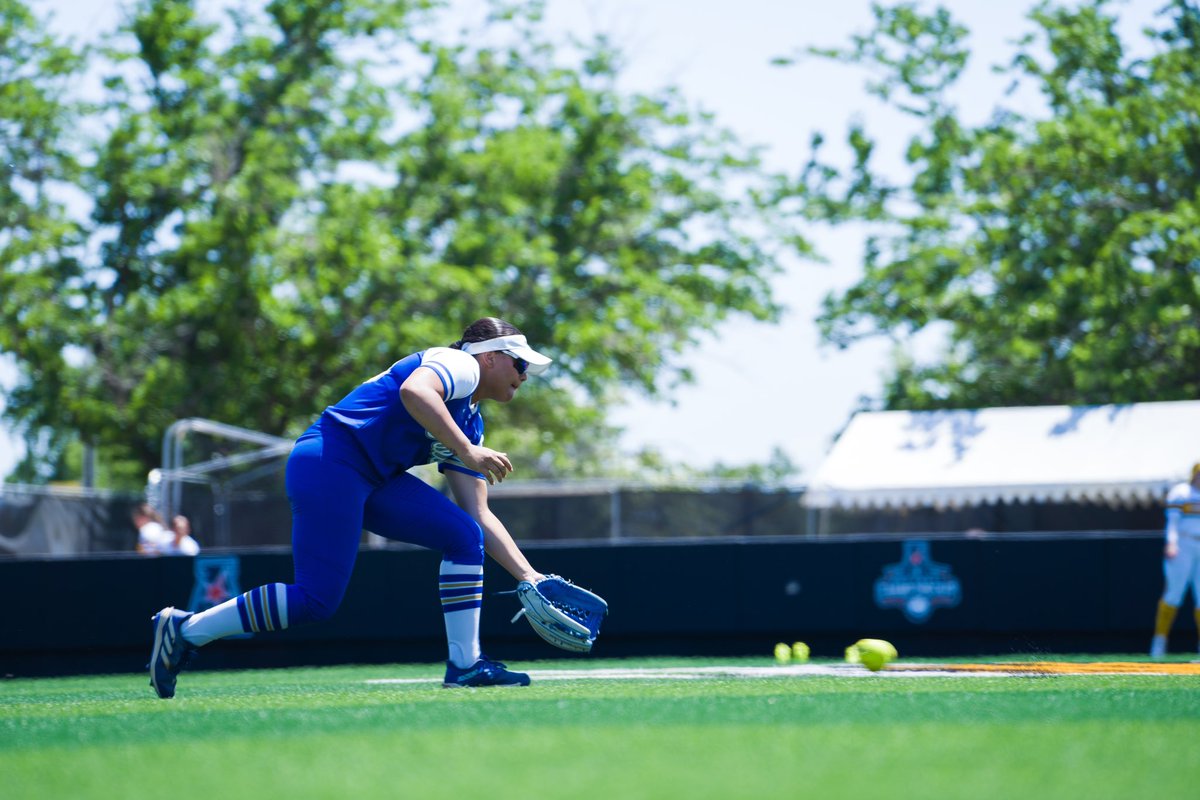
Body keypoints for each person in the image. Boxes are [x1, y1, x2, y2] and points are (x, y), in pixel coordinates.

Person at [147, 317, 553, 697]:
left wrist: (529, 577)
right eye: (519, 363)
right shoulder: (458, 362)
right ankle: (185, 629)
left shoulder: (472, 422)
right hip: (331, 460)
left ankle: (466, 665)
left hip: (372, 477)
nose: (523, 375)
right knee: (314, 601)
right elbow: (415, 391)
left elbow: (478, 513)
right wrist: (467, 451)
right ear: (490, 356)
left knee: (464, 536)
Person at [1150, 462, 1200, 658]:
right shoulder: (1181, 492)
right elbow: (1172, 523)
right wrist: (1171, 543)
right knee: (1174, 594)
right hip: (1184, 546)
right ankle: (1159, 643)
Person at [133, 504, 200, 556]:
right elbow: (149, 552)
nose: (179, 531)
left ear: (187, 530)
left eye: (181, 529)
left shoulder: (191, 547)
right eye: (177, 528)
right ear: (172, 529)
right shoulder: (164, 540)